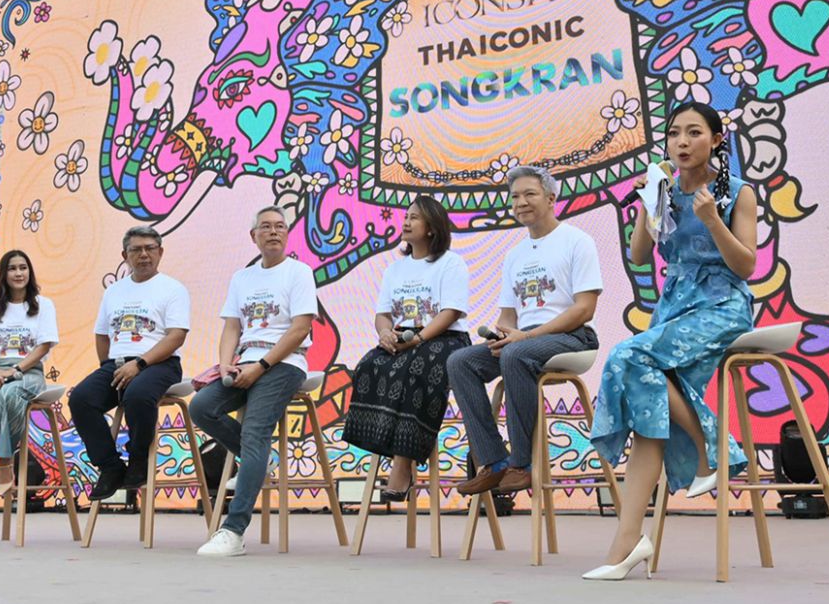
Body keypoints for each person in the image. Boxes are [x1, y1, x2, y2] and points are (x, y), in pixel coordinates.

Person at [583, 102, 756, 581]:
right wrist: (650, 198)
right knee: (649, 404)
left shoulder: (736, 193)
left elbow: (746, 267)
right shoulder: (664, 189)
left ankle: (707, 449)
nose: (682, 142)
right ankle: (627, 542)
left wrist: (714, 220)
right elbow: (640, 254)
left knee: (628, 355)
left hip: (721, 307)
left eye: (694, 133)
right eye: (675, 133)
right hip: (674, 308)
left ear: (716, 140)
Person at [451, 165, 603, 497]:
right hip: (525, 341)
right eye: (515, 197)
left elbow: (584, 309)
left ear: (551, 198)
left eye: (529, 194)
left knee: (517, 354)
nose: (521, 203)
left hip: (573, 337)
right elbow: (508, 316)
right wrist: (502, 336)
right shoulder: (514, 255)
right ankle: (494, 462)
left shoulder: (577, 241)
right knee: (460, 362)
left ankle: (522, 465)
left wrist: (526, 338)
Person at [192, 206, 316, 557]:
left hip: (284, 363)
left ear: (287, 234)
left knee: (255, 431)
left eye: (280, 226)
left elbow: (300, 329)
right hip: (244, 362)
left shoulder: (299, 272)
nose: (273, 232)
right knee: (201, 407)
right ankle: (259, 461)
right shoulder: (242, 278)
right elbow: (232, 327)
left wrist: (261, 366)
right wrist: (225, 365)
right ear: (253, 236)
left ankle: (233, 531)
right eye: (266, 227)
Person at [341, 196, 470, 499]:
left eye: (415, 217)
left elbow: (450, 312)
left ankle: (403, 462)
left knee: (415, 369)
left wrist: (420, 339)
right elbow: (383, 314)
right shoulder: (394, 270)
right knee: (369, 365)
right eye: (406, 216)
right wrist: (385, 333)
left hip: (444, 338)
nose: (407, 222)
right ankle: (385, 442)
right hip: (404, 338)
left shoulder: (451, 263)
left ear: (432, 228)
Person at [69, 226, 189, 502]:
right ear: (125, 256)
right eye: (136, 250)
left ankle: (138, 460)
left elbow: (176, 336)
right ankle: (110, 466)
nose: (143, 254)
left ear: (160, 252)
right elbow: (102, 334)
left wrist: (140, 363)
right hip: (118, 364)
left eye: (150, 248)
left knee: (137, 395)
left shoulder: (173, 289)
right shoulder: (114, 291)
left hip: (160, 364)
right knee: (81, 399)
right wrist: (107, 366)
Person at [0, 249, 59, 494]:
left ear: (30, 272)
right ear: (3, 274)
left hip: (28, 371)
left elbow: (43, 347)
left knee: (9, 395)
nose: (18, 273)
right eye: (12, 268)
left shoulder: (43, 305)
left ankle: (6, 462)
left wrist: (14, 370)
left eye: (23, 268)